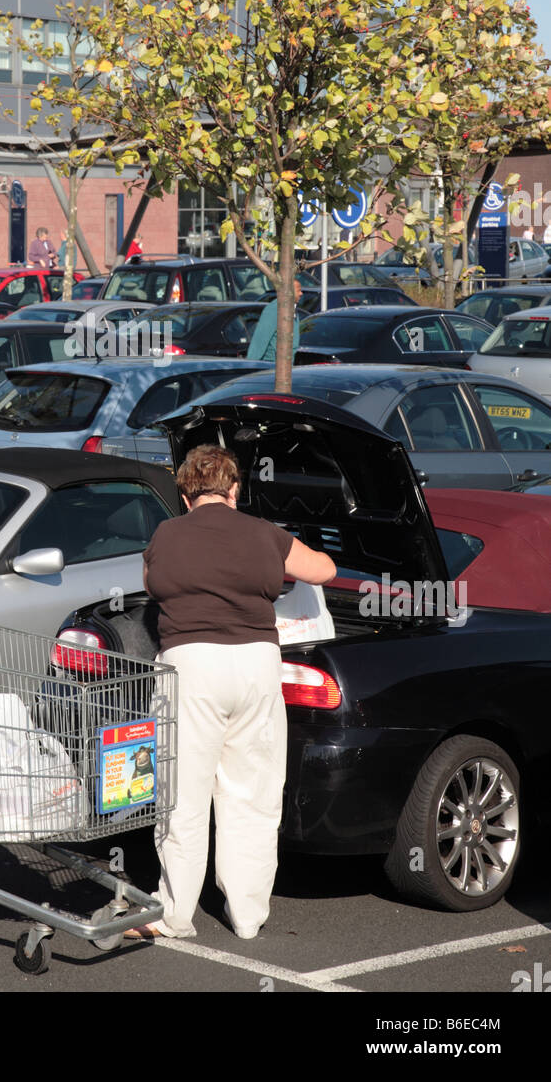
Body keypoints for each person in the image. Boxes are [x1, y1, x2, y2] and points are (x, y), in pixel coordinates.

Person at [129, 444, 336, 941]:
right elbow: (324, 571)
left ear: (184, 494)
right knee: (252, 795)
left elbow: (151, 584)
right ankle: (247, 915)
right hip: (256, 668)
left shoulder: (165, 534)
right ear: (235, 490)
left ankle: (175, 915)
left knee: (184, 796)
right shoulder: (266, 534)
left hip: (190, 668)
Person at [245, 278, 303, 362]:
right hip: (271, 367)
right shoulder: (274, 310)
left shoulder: (293, 310)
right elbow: (260, 341)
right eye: (298, 290)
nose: (301, 293)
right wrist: (250, 364)